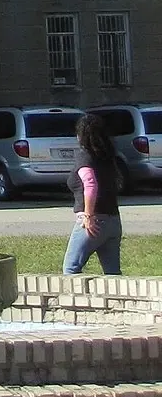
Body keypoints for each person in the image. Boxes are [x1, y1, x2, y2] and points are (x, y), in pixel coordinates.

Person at [63, 112, 123, 275]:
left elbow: (90, 184)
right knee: (113, 275)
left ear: (81, 135)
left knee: (71, 269)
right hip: (113, 221)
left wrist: (88, 216)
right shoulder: (107, 157)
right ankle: (115, 301)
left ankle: (77, 301)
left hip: (94, 222)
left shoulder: (85, 156)